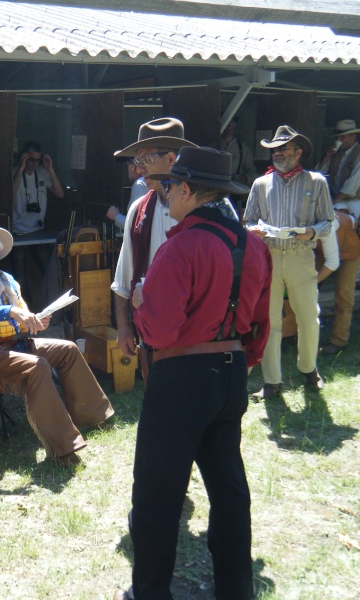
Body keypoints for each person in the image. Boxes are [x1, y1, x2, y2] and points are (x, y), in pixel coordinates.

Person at [113, 146, 272, 600]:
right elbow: (261, 322)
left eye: (169, 187)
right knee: (229, 491)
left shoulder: (180, 246)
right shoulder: (253, 245)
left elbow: (160, 329)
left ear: (187, 190)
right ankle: (236, 590)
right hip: (232, 374)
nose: (164, 194)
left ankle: (150, 592)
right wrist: (238, 359)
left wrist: (141, 306)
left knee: (157, 493)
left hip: (181, 377)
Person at [0, 220, 114, 467]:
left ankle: (95, 416)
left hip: (18, 345)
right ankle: (64, 448)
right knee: (38, 366)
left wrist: (36, 322)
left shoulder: (7, 280)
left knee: (68, 349)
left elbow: (22, 318)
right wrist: (11, 312)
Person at [243, 125, 334, 399]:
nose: (278, 154)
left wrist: (312, 232)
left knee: (308, 317)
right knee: (270, 321)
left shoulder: (316, 182)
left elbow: (328, 222)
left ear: (299, 152)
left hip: (300, 256)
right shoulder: (260, 184)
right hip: (268, 257)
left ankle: (308, 368)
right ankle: (272, 381)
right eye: (274, 150)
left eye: (283, 148)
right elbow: (246, 221)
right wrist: (253, 231)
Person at [111, 117, 198, 359]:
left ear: (171, 159)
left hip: (197, 333)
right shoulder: (138, 210)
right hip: (152, 332)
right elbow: (122, 280)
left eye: (147, 159)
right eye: (137, 160)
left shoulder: (204, 206)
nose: (139, 169)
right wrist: (124, 326)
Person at [317, 119, 360, 353]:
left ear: (352, 137)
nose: (340, 139)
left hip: (355, 206)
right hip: (336, 210)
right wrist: (328, 158)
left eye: (344, 136)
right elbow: (319, 176)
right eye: (339, 136)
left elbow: (352, 185)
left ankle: (339, 339)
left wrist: (331, 204)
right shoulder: (336, 154)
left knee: (349, 268)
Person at [11, 140, 65, 306]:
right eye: (31, 159)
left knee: (48, 270)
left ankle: (54, 306)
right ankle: (28, 311)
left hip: (37, 230)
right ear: (23, 157)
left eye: (37, 160)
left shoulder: (42, 172)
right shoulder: (14, 173)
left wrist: (50, 168)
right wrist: (20, 169)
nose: (34, 164)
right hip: (17, 231)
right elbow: (8, 194)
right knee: (19, 275)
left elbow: (60, 193)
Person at [106, 159, 148, 229]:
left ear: (132, 167)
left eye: (127, 165)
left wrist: (116, 216)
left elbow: (137, 226)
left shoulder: (139, 184)